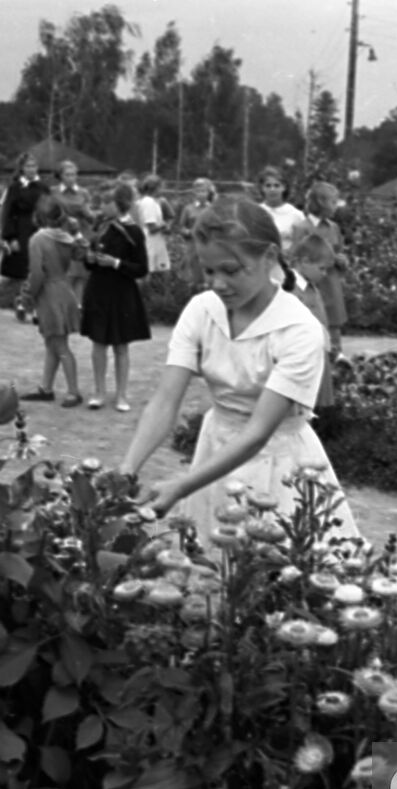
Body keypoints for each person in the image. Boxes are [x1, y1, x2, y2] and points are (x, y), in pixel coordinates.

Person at [118, 198, 359, 545]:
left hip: (280, 464)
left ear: (270, 258)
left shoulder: (299, 329)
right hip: (215, 448)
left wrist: (183, 485)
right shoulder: (202, 311)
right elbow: (165, 401)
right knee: (210, 570)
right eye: (209, 271)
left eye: (231, 270)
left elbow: (259, 431)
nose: (217, 283)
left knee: (274, 568)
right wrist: (127, 471)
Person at [80, 182, 150, 413]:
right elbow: (88, 263)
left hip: (122, 293)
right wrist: (89, 258)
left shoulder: (134, 232)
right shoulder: (100, 228)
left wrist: (116, 263)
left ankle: (121, 395)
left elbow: (141, 268)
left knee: (121, 346)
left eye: (106, 203)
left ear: (119, 204)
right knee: (98, 343)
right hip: (98, 290)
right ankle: (99, 392)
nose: (101, 207)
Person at [18, 196, 83, 408]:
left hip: (49, 294)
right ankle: (46, 387)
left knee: (60, 345)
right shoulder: (66, 237)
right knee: (52, 343)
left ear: (39, 216)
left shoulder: (38, 239)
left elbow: (36, 274)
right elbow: (81, 254)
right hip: (64, 288)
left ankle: (73, 392)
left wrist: (27, 296)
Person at [288, 233, 336, 410]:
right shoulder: (290, 290)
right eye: (322, 268)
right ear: (304, 262)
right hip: (300, 360)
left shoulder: (312, 288)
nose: (324, 274)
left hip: (316, 355)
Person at [303, 181, 349, 362]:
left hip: (332, 282)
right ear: (321, 202)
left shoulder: (334, 227)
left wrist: (343, 260)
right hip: (313, 284)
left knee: (334, 322)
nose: (336, 206)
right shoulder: (303, 227)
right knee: (314, 323)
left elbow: (340, 251)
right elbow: (298, 257)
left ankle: (337, 362)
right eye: (333, 201)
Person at [0, 153, 49, 286]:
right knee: (20, 266)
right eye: (28, 166)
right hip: (20, 228)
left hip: (40, 228)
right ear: (22, 168)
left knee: (40, 264)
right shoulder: (15, 187)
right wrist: (11, 237)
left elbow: (50, 209)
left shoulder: (43, 187)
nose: (31, 169)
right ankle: (18, 298)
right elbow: (9, 212)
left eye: (34, 166)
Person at [52, 160, 94, 301]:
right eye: (67, 175)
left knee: (81, 273)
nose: (71, 178)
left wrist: (88, 213)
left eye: (74, 175)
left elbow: (90, 217)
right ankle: (62, 305)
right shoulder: (53, 192)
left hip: (81, 233)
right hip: (61, 233)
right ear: (60, 176)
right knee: (64, 272)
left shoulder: (84, 192)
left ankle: (77, 306)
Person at [256, 166, 307, 252]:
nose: (272, 189)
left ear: (284, 187)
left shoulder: (296, 215)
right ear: (262, 188)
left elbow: (303, 244)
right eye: (268, 185)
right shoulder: (255, 212)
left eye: (277, 185)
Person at [178, 178, 217, 287]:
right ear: (194, 192)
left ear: (208, 192)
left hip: (208, 246)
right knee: (193, 277)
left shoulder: (212, 208)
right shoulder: (188, 209)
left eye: (204, 191)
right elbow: (181, 227)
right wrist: (189, 232)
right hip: (193, 247)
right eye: (198, 191)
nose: (201, 194)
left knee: (208, 275)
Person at [137, 173, 172, 275]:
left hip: (156, 242)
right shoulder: (148, 202)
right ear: (156, 187)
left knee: (162, 271)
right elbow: (151, 228)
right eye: (161, 187)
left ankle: (155, 291)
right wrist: (164, 225)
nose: (162, 190)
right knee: (149, 272)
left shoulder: (153, 202)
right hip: (150, 243)